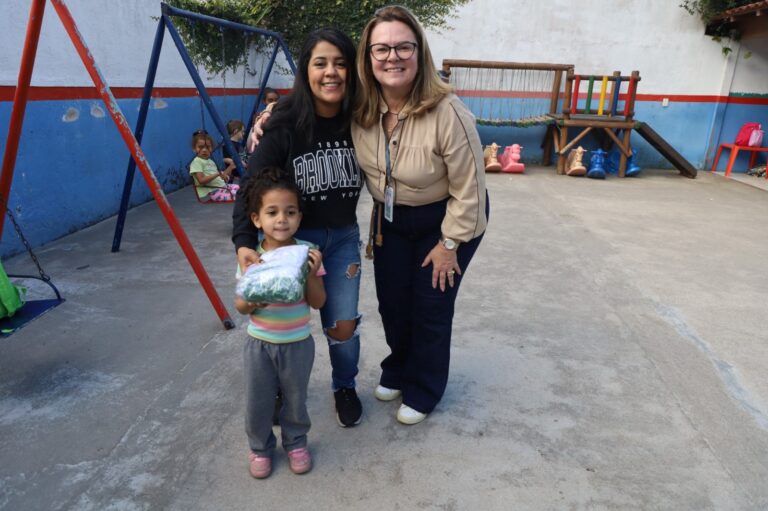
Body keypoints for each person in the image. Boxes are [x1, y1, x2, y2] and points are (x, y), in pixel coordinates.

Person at [352, 5, 488, 425]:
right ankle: (398, 367)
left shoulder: (448, 112)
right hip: (391, 220)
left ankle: (424, 387)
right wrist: (270, 116)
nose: (392, 57)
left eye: (403, 47)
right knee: (393, 303)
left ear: (419, 52)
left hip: (447, 218)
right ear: (368, 57)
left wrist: (450, 245)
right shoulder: (360, 108)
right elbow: (311, 111)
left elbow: (471, 189)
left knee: (430, 305)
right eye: (382, 49)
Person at [233, 28, 365, 428]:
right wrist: (243, 241)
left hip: (342, 239)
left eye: (340, 63)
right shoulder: (284, 123)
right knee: (279, 322)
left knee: (342, 324)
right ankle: (276, 389)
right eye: (320, 63)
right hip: (288, 243)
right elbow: (251, 187)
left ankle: (344, 386)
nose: (331, 72)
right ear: (306, 70)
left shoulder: (362, 118)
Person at [235, 167, 326, 479]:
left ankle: (296, 443)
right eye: (272, 212)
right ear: (256, 219)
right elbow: (241, 305)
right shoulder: (251, 258)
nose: (282, 220)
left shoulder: (308, 254)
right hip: (259, 344)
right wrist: (254, 300)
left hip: (298, 343)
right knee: (258, 401)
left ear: (300, 217)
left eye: (290, 212)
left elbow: (318, 302)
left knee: (296, 399)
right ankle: (260, 448)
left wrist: (311, 274)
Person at [190, 131, 238, 202]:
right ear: (194, 149)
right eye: (200, 147)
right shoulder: (197, 162)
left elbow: (220, 178)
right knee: (239, 195)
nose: (204, 150)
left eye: (207, 147)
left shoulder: (211, 161)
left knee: (240, 188)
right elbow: (201, 181)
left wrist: (230, 168)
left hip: (223, 187)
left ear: (211, 148)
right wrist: (217, 174)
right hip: (214, 192)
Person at [246, 88, 280, 154]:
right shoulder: (259, 116)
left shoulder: (282, 114)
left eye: (276, 100)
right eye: (270, 100)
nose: (274, 103)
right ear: (264, 102)